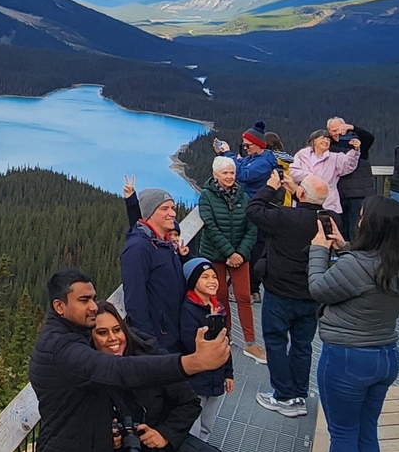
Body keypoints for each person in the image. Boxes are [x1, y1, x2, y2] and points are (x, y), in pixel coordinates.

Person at [31, 270, 231, 452]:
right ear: (59, 306)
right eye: (84, 300)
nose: (93, 306)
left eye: (94, 298)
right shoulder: (64, 349)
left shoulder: (76, 340)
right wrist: (191, 363)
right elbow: (118, 370)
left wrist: (124, 434)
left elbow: (85, 406)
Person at [297, 196, 399, 452]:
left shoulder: (357, 265)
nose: (357, 222)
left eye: (361, 218)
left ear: (368, 224)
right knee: (366, 431)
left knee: (343, 432)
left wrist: (318, 249)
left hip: (347, 359)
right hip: (385, 355)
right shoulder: (392, 262)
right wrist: (345, 248)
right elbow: (365, 277)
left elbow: (319, 287)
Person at [93, 301, 204, 452]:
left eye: (117, 330)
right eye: (102, 333)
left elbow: (190, 403)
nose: (112, 339)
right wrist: (104, 438)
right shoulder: (90, 374)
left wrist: (164, 433)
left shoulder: (152, 360)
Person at [246, 171, 328, 418]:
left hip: (279, 293)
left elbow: (253, 210)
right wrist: (296, 190)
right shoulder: (326, 221)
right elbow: (306, 209)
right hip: (311, 295)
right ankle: (299, 396)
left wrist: (271, 186)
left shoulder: (283, 217)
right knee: (303, 346)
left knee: (276, 342)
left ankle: (282, 396)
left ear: (301, 193)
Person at [198, 157, 265, 363]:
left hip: (240, 255)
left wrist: (240, 253)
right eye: (225, 173)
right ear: (215, 174)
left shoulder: (243, 197)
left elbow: (251, 227)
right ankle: (225, 335)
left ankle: (250, 344)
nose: (229, 177)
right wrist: (229, 253)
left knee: (244, 296)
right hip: (215, 254)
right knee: (220, 294)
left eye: (232, 173)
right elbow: (210, 226)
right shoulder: (206, 196)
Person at [177, 259, 233, 452]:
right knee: (194, 425)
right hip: (198, 378)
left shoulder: (217, 306)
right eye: (205, 278)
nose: (212, 282)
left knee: (208, 424)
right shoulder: (190, 308)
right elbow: (192, 344)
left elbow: (225, 343)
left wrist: (228, 373)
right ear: (193, 282)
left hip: (216, 378)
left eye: (214, 277)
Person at [122, 189, 191, 354]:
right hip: (159, 342)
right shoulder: (138, 248)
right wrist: (148, 344)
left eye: (172, 208)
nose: (172, 213)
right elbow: (135, 301)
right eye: (164, 208)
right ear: (150, 212)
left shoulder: (164, 242)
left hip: (174, 334)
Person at [290, 129, 360, 227]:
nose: (326, 141)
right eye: (323, 138)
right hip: (303, 203)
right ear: (314, 141)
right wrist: (311, 177)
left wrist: (355, 151)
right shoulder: (301, 155)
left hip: (328, 204)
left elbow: (349, 165)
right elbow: (292, 172)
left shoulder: (335, 158)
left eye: (328, 139)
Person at [328, 118, 375, 243]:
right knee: (342, 227)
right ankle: (343, 253)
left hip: (358, 193)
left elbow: (369, 138)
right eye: (333, 130)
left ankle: (355, 252)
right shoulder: (329, 146)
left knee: (356, 228)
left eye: (339, 129)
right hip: (339, 194)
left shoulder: (357, 143)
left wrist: (353, 128)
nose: (336, 133)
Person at [216, 121, 278, 198]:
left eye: (247, 145)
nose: (245, 148)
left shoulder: (264, 164)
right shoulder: (250, 158)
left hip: (252, 203)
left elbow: (243, 175)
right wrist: (223, 153)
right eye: (244, 145)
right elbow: (234, 166)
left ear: (258, 144)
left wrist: (228, 153)